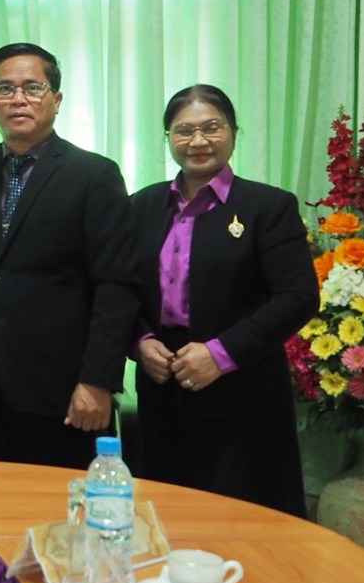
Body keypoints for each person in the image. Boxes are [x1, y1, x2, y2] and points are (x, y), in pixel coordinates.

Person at [0, 43, 133, 469]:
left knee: (56, 504)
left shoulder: (94, 175)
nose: (17, 99)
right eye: (4, 89)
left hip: (63, 390)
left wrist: (98, 380)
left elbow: (116, 287)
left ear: (56, 99)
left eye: (32, 87)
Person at [126, 85, 315, 514]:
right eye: (184, 130)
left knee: (242, 521)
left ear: (233, 132)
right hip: (163, 384)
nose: (198, 141)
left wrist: (220, 353)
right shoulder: (141, 206)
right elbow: (121, 290)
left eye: (211, 128)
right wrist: (138, 341)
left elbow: (298, 296)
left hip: (243, 388)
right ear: (168, 137)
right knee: (165, 515)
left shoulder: (267, 206)